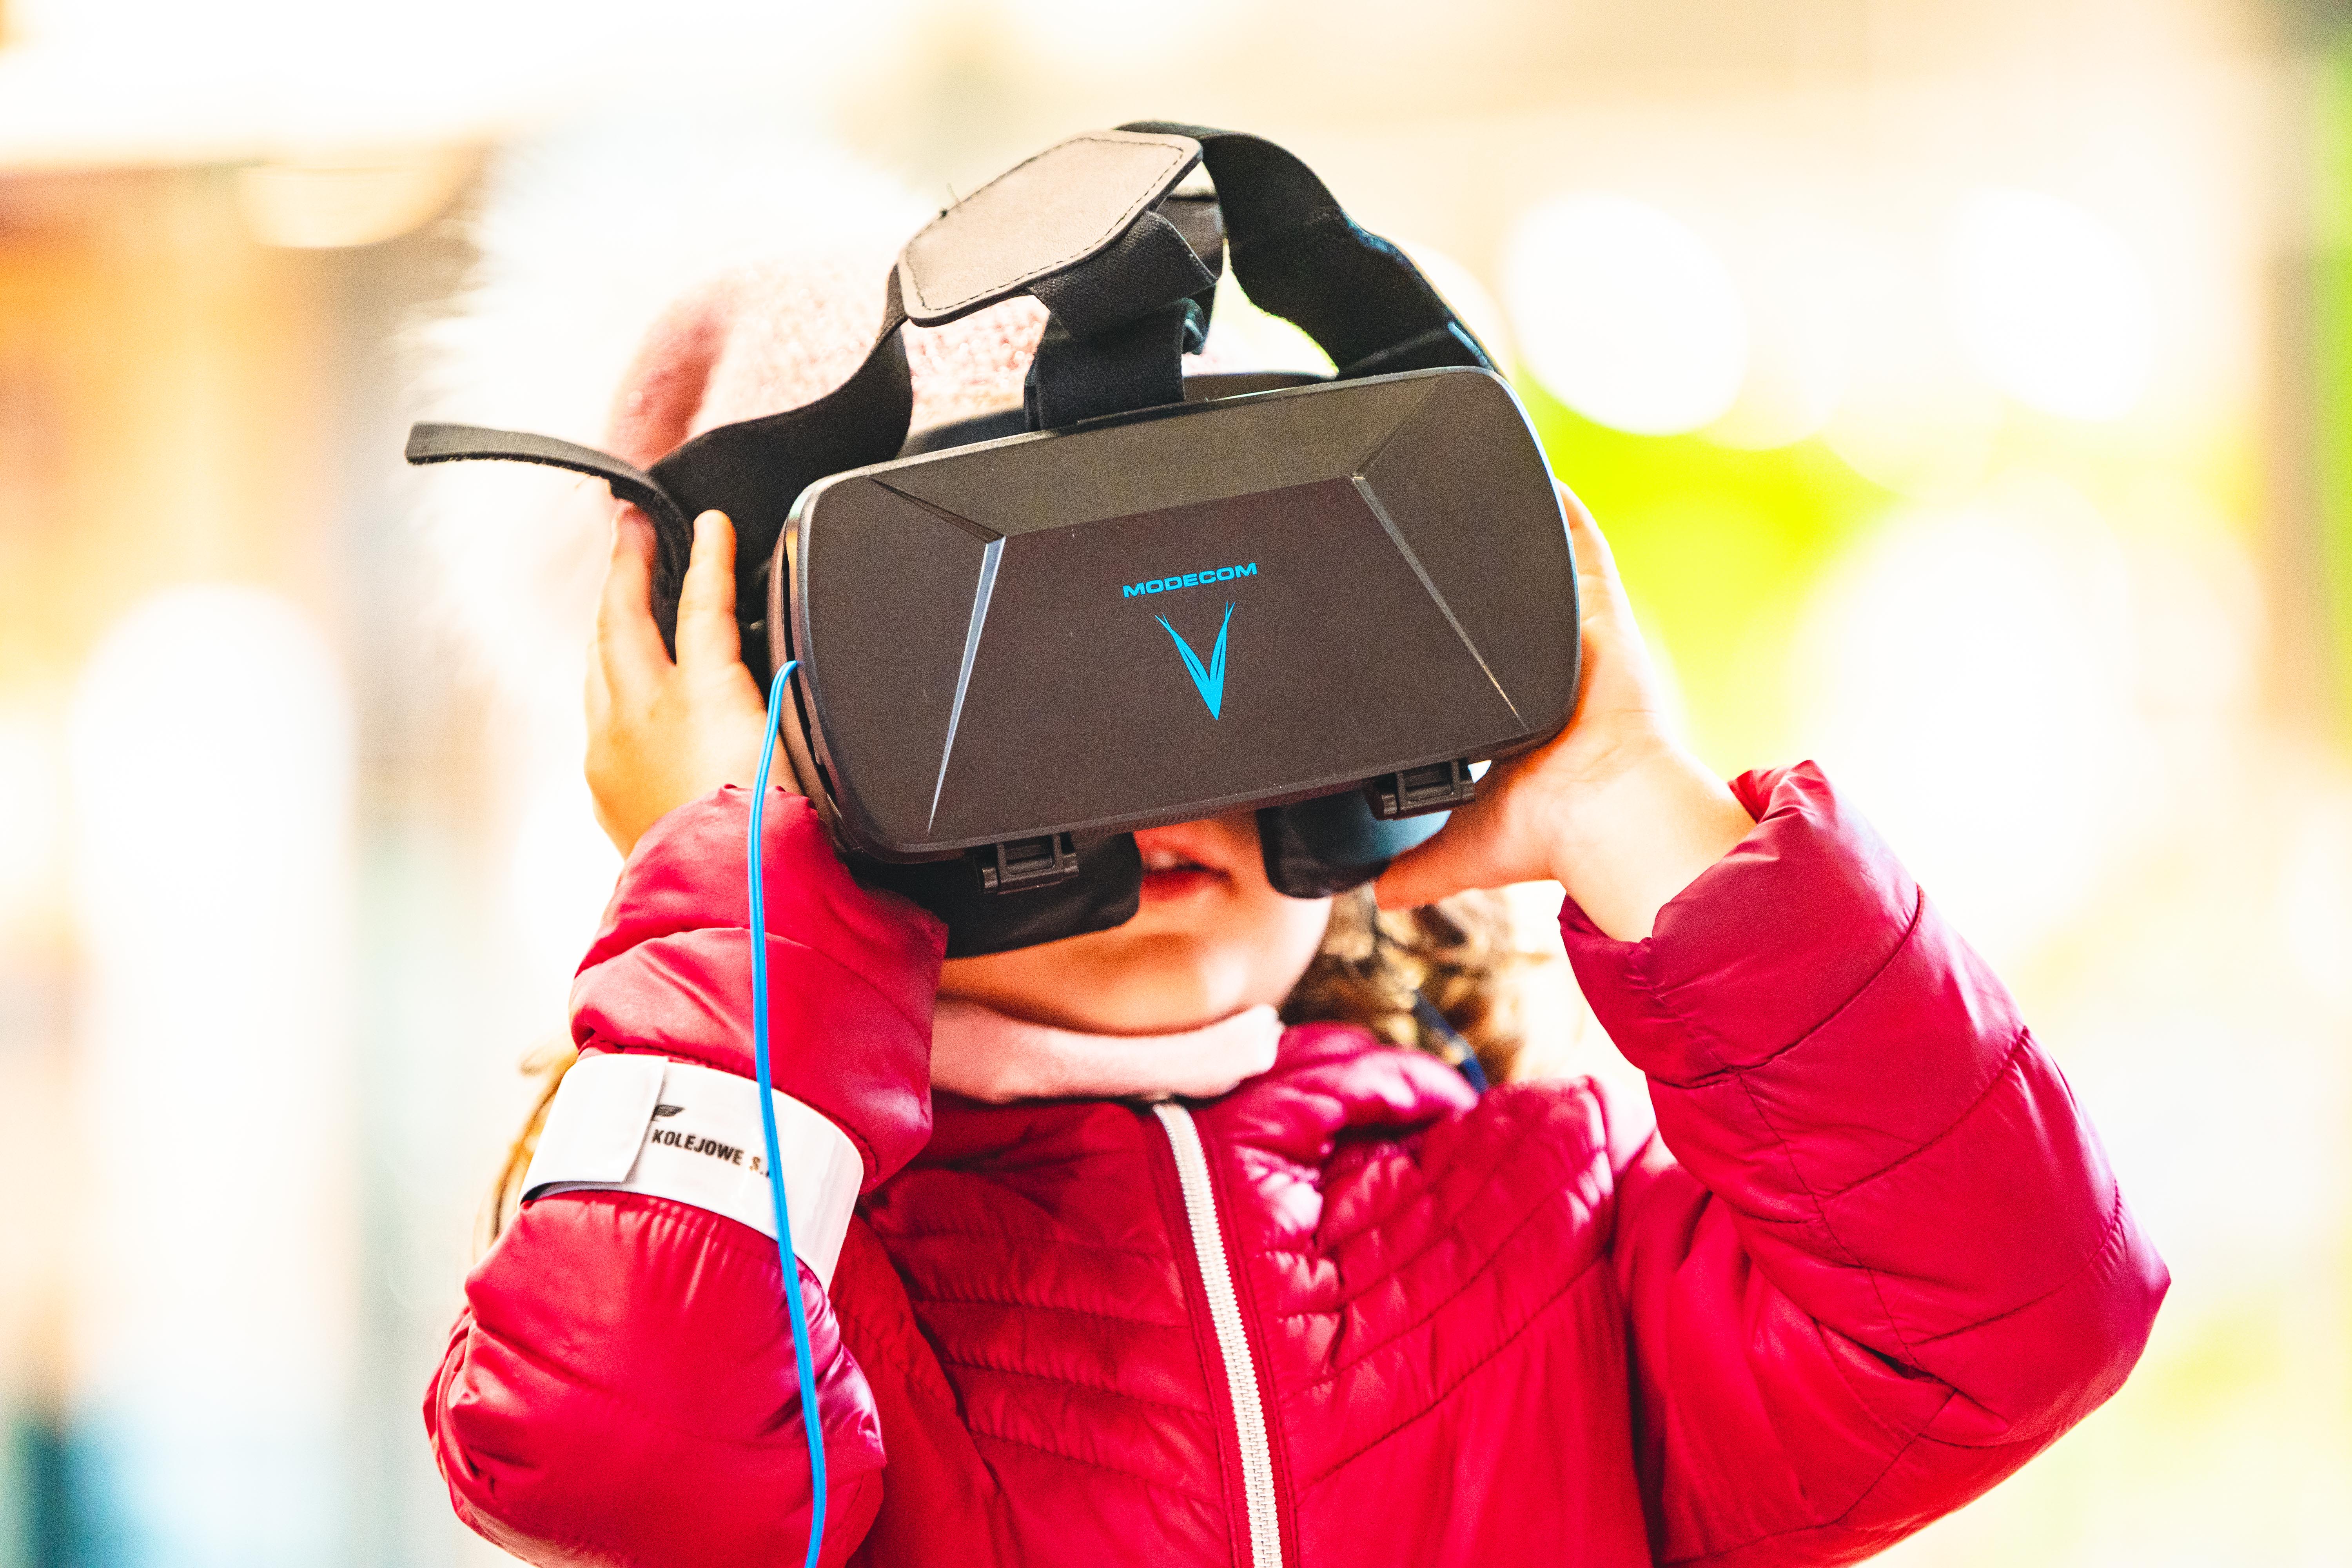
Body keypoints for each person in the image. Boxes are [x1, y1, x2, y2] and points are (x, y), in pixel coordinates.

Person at [422, 259, 2167, 1568]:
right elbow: (623, 1457)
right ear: (792, 759)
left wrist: (1625, 800)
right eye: (1025, 690)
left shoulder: (1555, 1237)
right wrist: (741, 906)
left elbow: (2023, 1312)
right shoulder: (790, 1298)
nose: (1164, 754)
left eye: (1227, 641)